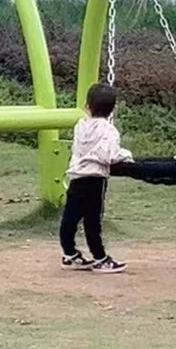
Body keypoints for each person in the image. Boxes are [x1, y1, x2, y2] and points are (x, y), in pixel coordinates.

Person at [59, 82, 133, 274]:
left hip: (76, 175)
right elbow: (108, 155)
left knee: (71, 217)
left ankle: (69, 253)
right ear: (113, 109)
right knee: (92, 220)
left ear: (87, 106)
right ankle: (100, 258)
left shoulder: (80, 126)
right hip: (94, 178)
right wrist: (125, 155)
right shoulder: (109, 130)